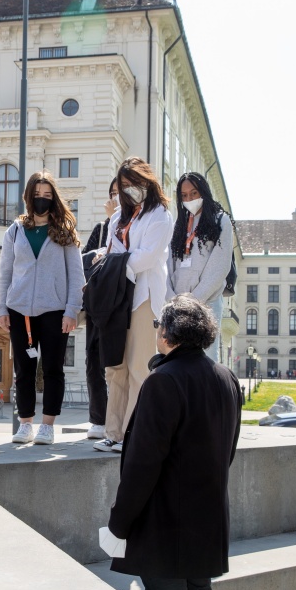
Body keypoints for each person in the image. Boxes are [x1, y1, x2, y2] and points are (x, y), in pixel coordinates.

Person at [99, 295, 242, 590]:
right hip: (208, 524)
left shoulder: (163, 380)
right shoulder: (226, 377)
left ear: (166, 332)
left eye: (156, 324)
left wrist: (119, 523)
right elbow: (226, 452)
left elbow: (143, 464)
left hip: (165, 529)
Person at [0, 170, 85, 445]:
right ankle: (25, 424)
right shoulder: (15, 230)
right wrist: (1, 308)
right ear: (28, 197)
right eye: (37, 195)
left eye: (47, 196)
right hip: (19, 310)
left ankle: (47, 425)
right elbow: (5, 271)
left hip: (55, 310)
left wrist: (72, 310)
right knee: (23, 368)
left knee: (52, 369)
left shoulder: (65, 231)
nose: (42, 200)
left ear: (54, 198)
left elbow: (76, 275)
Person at [94, 157, 173, 453]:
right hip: (117, 299)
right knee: (116, 368)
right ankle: (112, 432)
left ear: (148, 182)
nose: (129, 190)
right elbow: (114, 251)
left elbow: (147, 257)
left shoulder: (160, 215)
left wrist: (115, 264)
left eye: (135, 183)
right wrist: (111, 261)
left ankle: (132, 434)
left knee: (140, 366)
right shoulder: (117, 218)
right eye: (124, 185)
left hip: (143, 297)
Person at [167, 172, 234, 363]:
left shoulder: (221, 221)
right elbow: (167, 265)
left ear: (203, 192)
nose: (190, 199)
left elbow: (220, 268)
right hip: (178, 306)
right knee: (175, 362)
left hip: (207, 304)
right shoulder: (177, 225)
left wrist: (192, 301)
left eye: (194, 193)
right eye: (185, 195)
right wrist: (172, 298)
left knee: (205, 360)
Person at [82, 178, 118, 440]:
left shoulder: (137, 225)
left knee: (117, 364)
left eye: (121, 192)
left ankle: (120, 417)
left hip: (123, 304)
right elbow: (84, 260)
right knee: (93, 361)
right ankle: (97, 418)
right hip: (98, 302)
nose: (116, 198)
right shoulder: (101, 228)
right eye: (113, 193)